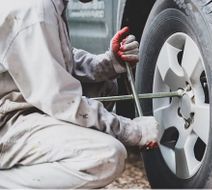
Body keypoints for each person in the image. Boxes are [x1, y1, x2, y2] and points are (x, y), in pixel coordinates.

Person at [0, 0, 159, 188]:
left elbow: (52, 58)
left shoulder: (49, 5)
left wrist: (109, 63)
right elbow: (61, 100)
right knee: (107, 156)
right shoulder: (34, 11)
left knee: (103, 86)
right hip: (5, 125)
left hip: (17, 106)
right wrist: (132, 131)